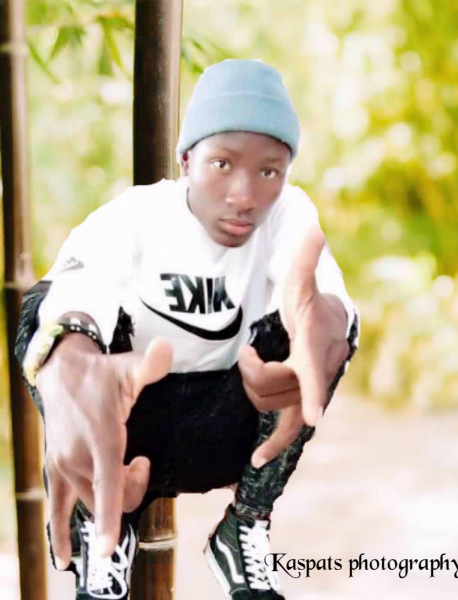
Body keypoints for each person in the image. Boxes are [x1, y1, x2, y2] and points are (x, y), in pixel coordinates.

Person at [16, 59, 359, 600]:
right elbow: (76, 293)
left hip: (226, 427)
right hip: (130, 436)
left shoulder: (289, 214)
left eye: (269, 171)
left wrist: (325, 330)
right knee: (50, 325)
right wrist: (68, 355)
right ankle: (102, 526)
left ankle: (245, 524)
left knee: (325, 326)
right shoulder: (135, 215)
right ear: (186, 160)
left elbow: (321, 294)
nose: (244, 195)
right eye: (222, 163)